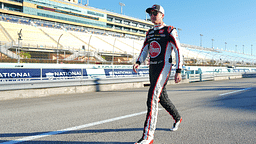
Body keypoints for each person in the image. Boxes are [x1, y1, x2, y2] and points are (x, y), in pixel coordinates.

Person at [133, 4, 183, 144]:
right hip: (152, 68)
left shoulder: (170, 30)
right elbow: (145, 49)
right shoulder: (149, 33)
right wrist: (138, 61)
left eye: (155, 13)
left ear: (162, 15)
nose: (153, 15)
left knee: (152, 99)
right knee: (162, 98)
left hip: (164, 67)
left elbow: (178, 50)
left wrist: (179, 70)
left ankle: (148, 137)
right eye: (151, 13)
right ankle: (177, 117)